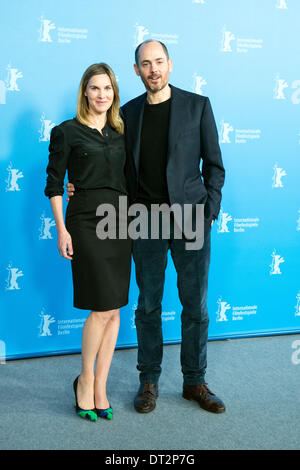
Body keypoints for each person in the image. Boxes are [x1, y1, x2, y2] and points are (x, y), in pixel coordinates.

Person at [68, 40, 226, 414]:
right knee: (148, 306)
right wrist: (77, 184)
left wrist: (209, 212)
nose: (153, 69)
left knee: (196, 307)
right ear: (136, 70)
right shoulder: (127, 113)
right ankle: (148, 382)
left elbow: (215, 165)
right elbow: (105, 158)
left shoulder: (197, 106)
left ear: (169, 65)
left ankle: (194, 382)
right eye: (145, 64)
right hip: (144, 222)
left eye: (159, 62)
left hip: (191, 220)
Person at [44, 63, 131, 422]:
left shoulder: (122, 131)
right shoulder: (67, 132)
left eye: (107, 89)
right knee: (101, 307)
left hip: (121, 222)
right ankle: (85, 379)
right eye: (95, 88)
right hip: (85, 223)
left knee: (115, 310)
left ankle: (100, 387)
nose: (101, 95)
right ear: (85, 92)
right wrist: (62, 230)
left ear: (114, 93)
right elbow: (53, 184)